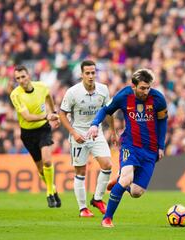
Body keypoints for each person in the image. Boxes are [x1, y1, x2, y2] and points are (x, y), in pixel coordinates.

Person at [86, 68, 168, 227]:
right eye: (142, 88)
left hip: (150, 149)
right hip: (130, 145)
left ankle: (118, 180)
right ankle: (107, 219)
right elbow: (105, 109)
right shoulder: (124, 95)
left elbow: (163, 121)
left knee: (137, 192)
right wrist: (95, 124)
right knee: (126, 179)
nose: (146, 91)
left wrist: (161, 146)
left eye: (148, 87)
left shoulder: (158, 99)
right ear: (134, 86)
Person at [59, 60, 116, 217]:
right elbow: (62, 113)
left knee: (107, 164)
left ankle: (97, 199)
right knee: (81, 171)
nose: (91, 76)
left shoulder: (103, 89)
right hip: (79, 135)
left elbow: (109, 111)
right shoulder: (72, 92)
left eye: (93, 72)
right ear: (81, 74)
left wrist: (113, 131)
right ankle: (83, 208)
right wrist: (73, 133)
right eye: (88, 73)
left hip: (96, 133)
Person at [10, 65, 61, 208]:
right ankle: (53, 188)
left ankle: (50, 193)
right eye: (18, 78)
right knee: (40, 169)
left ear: (29, 75)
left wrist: (54, 111)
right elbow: (27, 117)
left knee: (47, 160)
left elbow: (49, 96)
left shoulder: (42, 87)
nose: (21, 80)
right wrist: (48, 115)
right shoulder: (15, 94)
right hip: (27, 133)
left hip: (43, 129)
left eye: (23, 76)